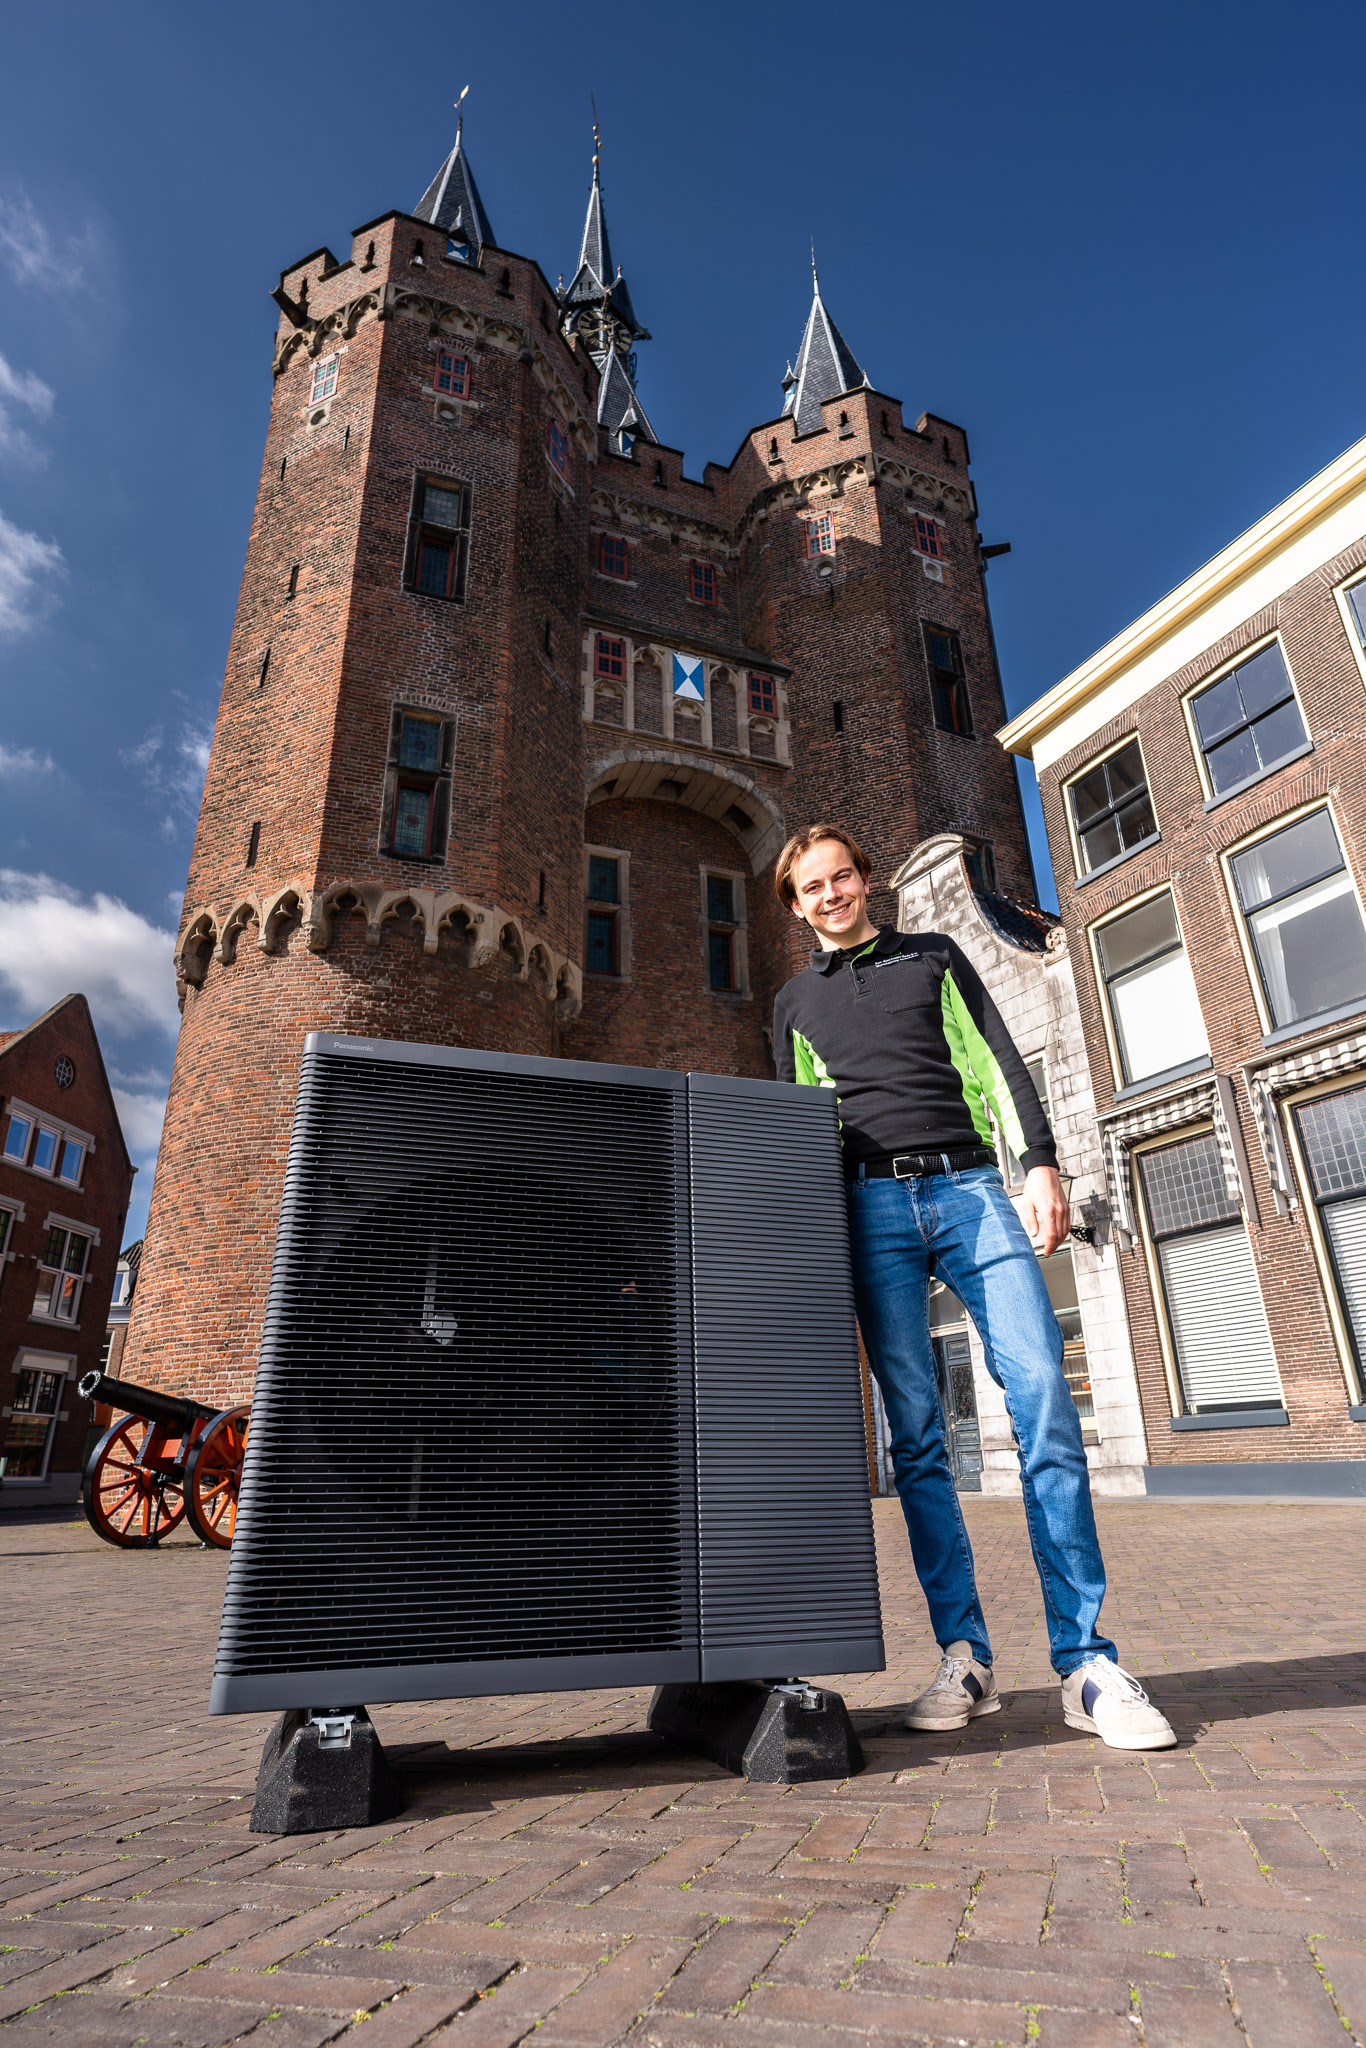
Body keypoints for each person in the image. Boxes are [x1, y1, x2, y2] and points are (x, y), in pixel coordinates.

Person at [772, 823, 1175, 1752]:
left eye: (843, 876)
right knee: (916, 1440)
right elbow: (803, 1124)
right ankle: (967, 1657)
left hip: (970, 1191)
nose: (832, 894)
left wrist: (1040, 1165)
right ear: (796, 907)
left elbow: (998, 1058)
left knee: (1043, 1401)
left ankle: (1086, 1662)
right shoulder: (794, 1001)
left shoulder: (934, 956)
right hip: (869, 1209)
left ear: (865, 880)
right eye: (813, 886)